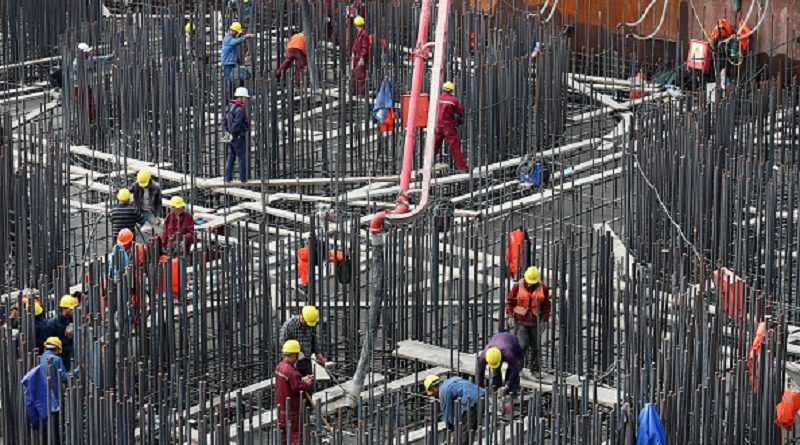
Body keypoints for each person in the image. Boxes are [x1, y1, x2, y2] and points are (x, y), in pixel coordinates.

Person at [505, 266, 551, 372]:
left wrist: (543, 320)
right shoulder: (517, 286)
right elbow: (510, 302)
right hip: (520, 321)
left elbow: (546, 306)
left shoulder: (543, 288)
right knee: (522, 345)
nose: (530, 284)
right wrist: (510, 315)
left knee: (536, 346)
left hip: (535, 321)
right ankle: (517, 368)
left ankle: (535, 369)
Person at [424, 375, 485, 445]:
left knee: (463, 435)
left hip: (471, 402)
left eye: (433, 391)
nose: (435, 393)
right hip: (482, 395)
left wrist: (451, 430)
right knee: (471, 429)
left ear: (432, 388)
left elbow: (448, 412)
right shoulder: (452, 379)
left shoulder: (443, 390)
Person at [275, 340, 315, 444]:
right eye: (297, 354)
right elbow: (297, 388)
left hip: (281, 408)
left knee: (283, 437)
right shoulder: (292, 372)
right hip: (292, 411)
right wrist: (307, 382)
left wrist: (301, 380)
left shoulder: (279, 366)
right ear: (294, 354)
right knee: (295, 437)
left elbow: (290, 383)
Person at [278, 306, 325, 379]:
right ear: (302, 317)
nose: (309, 326)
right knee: (295, 385)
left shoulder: (311, 323)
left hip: (306, 360)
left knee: (307, 385)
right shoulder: (289, 325)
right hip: (293, 362)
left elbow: (314, 339)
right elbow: (282, 343)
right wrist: (295, 353)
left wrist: (318, 354)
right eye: (307, 323)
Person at [72, 42, 113, 124]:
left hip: (87, 85)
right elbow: (77, 75)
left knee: (90, 103)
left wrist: (109, 56)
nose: (89, 53)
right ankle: (87, 121)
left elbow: (98, 58)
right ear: (82, 53)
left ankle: (92, 120)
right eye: (87, 52)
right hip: (79, 87)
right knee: (84, 104)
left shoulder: (89, 58)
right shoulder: (76, 63)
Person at [475, 332, 523, 396]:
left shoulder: (509, 354)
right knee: (496, 371)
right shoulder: (484, 356)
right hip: (497, 338)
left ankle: (512, 391)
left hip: (512, 341)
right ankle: (496, 389)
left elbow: (516, 369)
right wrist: (480, 390)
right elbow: (480, 373)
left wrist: (507, 386)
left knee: (512, 371)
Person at [434, 81, 468, 172]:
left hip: (438, 125)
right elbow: (460, 111)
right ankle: (462, 167)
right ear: (451, 90)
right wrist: (459, 120)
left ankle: (428, 163)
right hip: (448, 126)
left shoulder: (438, 98)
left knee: (435, 146)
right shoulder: (453, 100)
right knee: (455, 147)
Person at [222, 87, 251, 183]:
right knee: (242, 158)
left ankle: (227, 178)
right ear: (240, 97)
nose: (246, 100)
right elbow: (237, 124)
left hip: (231, 137)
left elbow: (224, 122)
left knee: (231, 157)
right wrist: (232, 134)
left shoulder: (229, 106)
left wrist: (227, 133)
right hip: (238, 137)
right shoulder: (240, 109)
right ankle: (243, 179)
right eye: (245, 98)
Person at [46, 295, 79, 370]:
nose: (73, 311)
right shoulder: (54, 323)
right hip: (61, 354)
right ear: (65, 309)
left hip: (73, 353)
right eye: (71, 309)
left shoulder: (75, 318)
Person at [350, 16, 370, 95]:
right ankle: (354, 91)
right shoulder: (360, 33)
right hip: (357, 57)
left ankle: (362, 92)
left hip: (360, 58)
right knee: (355, 74)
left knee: (361, 75)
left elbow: (365, 47)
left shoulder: (364, 34)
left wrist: (362, 58)